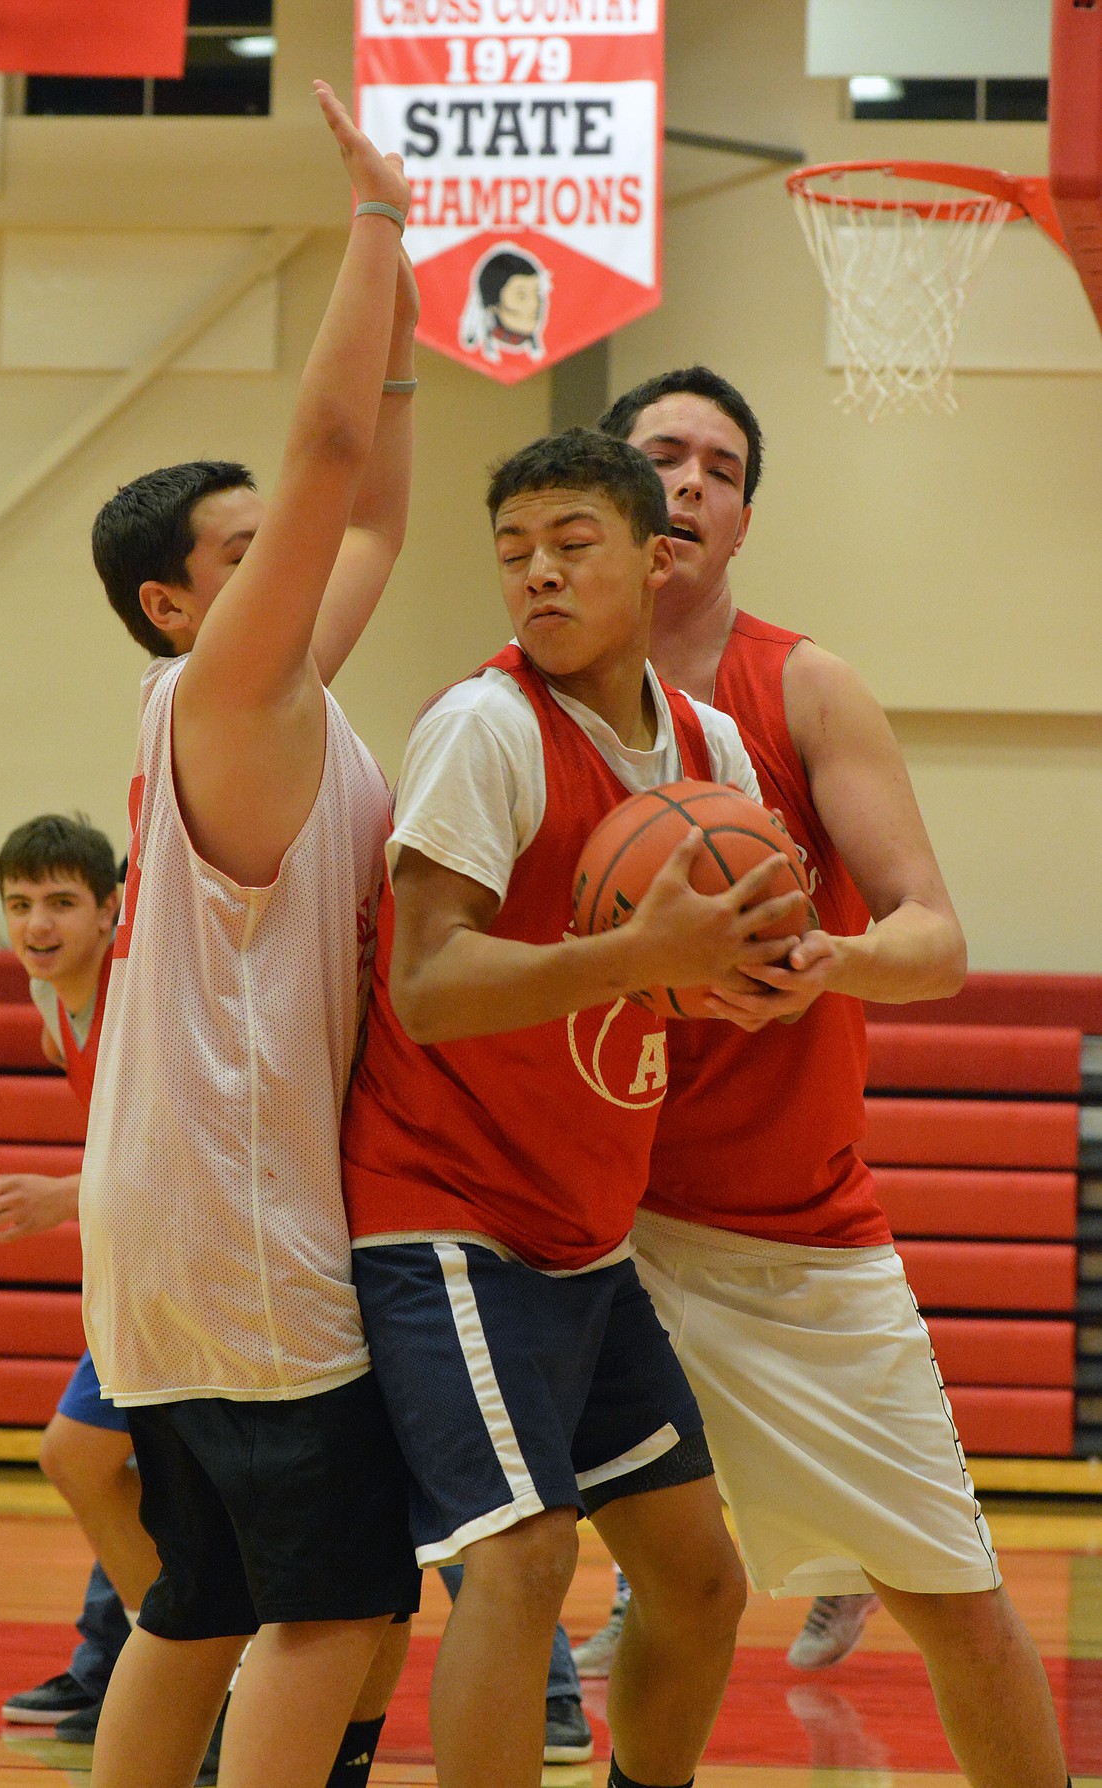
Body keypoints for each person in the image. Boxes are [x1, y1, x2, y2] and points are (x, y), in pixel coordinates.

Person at [589, 366, 1070, 1788]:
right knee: (669, 1591)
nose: (686, 484)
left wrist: (822, 962)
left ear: (741, 520)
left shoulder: (800, 684)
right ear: (603, 492)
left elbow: (932, 940)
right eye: (660, 457)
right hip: (578, 1224)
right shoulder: (514, 705)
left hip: (782, 1230)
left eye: (718, 469)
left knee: (960, 1608)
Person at [340, 426, 811, 1788]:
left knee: (698, 1579)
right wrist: (637, 959)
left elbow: (725, 952)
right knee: (526, 1554)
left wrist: (755, 975)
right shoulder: (481, 730)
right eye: (512, 553)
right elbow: (423, 987)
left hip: (583, 1227)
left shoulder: (706, 741)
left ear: (659, 561)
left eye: (570, 545)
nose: (536, 576)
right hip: (442, 1212)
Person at [78, 86, 422, 1788]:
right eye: (237, 549)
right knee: (332, 1612)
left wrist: (411, 300)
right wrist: (373, 218)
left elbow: (371, 522)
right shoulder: (222, 688)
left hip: (169, 1230)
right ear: (171, 599)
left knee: (196, 1603)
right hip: (240, 1224)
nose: (274, 552)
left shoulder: (268, 694)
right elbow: (333, 468)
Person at [0, 817, 150, 1741]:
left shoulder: (138, 994)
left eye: (62, 903)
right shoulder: (56, 1004)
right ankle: (121, 1664)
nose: (39, 924)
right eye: (21, 904)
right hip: (142, 1265)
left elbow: (176, 1150)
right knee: (111, 1469)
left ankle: (176, 1668)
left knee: (82, 1458)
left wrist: (66, 1193)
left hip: (191, 1264)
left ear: (113, 909)